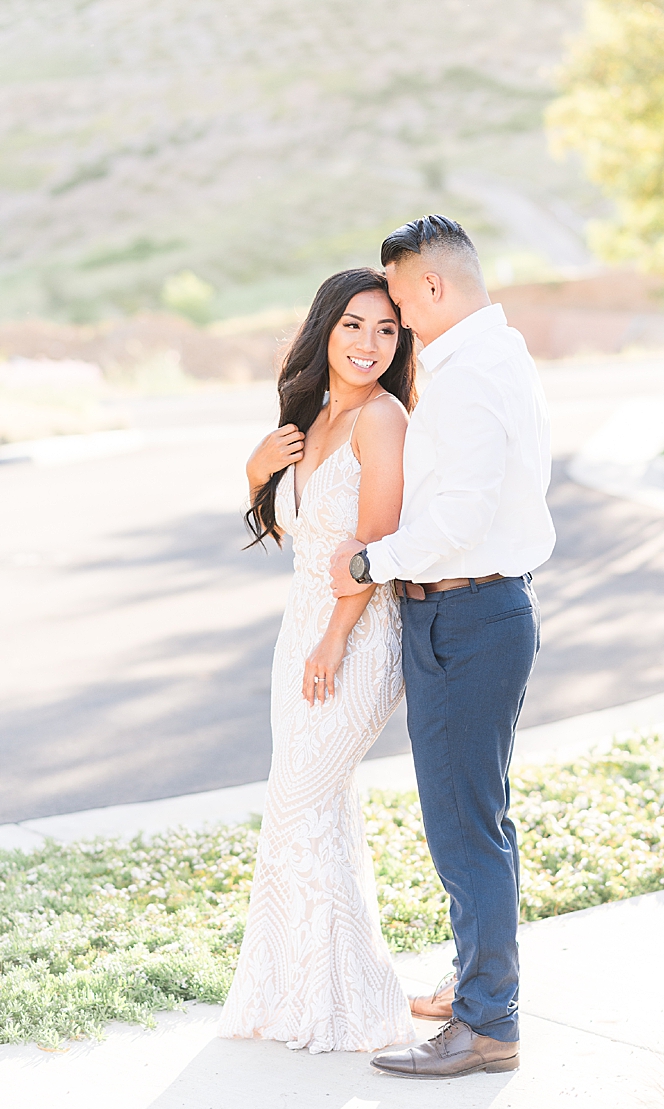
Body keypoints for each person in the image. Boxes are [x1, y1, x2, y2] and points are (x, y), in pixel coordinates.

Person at [328, 215, 555, 1079]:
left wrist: (368, 561)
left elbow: (455, 520)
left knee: (464, 826)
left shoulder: (466, 377)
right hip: (479, 612)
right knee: (479, 816)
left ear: (430, 287)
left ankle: (487, 1025)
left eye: (399, 303)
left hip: (467, 615)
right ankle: (476, 985)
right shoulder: (499, 356)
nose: (397, 324)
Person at [220, 268, 416, 1053]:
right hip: (298, 631)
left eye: (387, 330)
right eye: (355, 326)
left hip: (357, 634)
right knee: (314, 811)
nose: (370, 344)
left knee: (301, 803)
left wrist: (336, 637)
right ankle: (304, 993)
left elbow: (375, 545)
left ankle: (351, 999)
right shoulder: (313, 414)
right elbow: (290, 532)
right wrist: (256, 469)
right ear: (325, 330)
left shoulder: (383, 417)